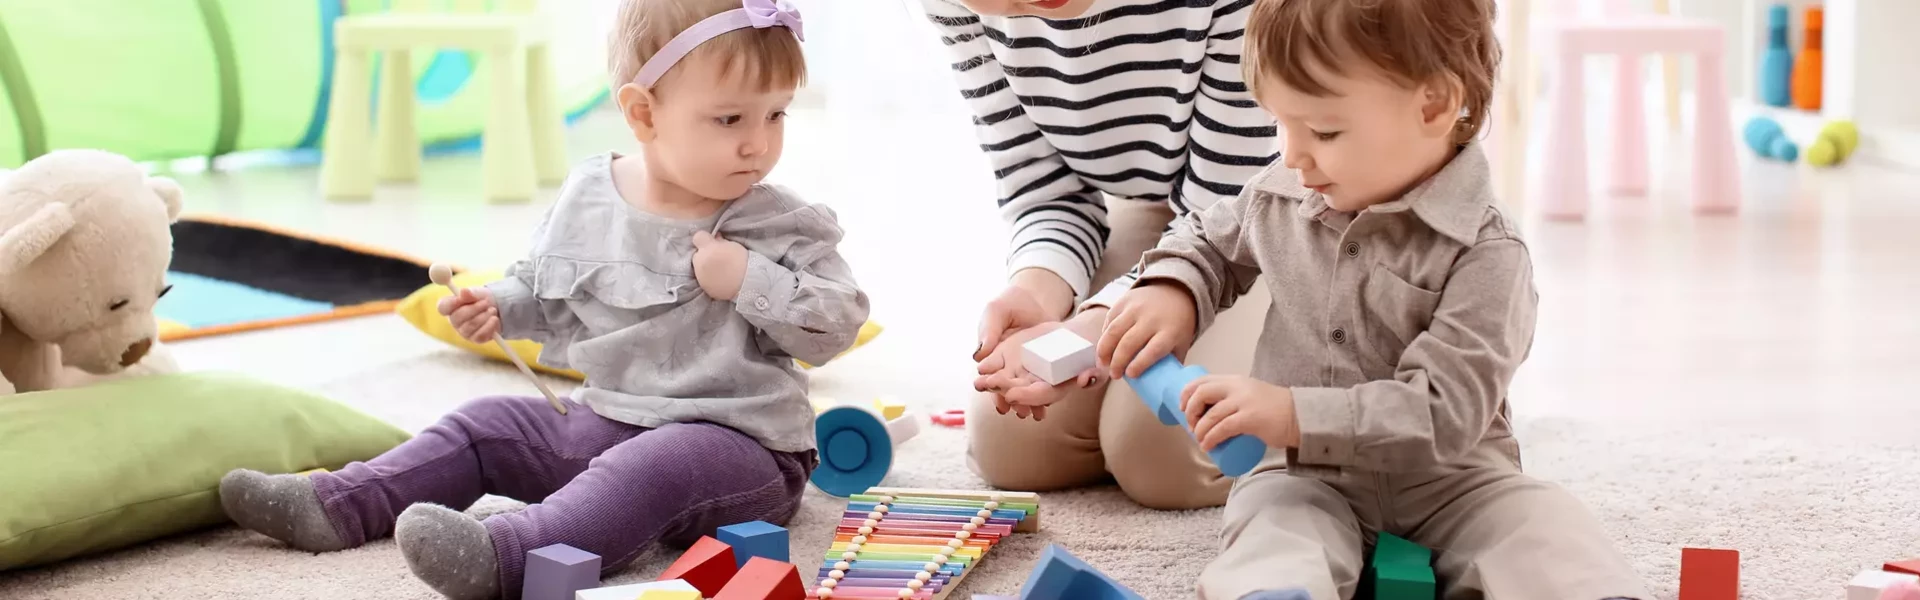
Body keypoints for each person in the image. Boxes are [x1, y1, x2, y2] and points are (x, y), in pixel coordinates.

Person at [215, 1, 869, 597]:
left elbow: (835, 326)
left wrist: (750, 278)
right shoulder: (590, 196)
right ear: (643, 113)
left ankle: (513, 552)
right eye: (730, 118)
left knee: (658, 463)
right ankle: (338, 504)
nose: (759, 142)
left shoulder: (777, 222)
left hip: (739, 448)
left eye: (775, 113)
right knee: (485, 422)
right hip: (605, 419)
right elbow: (541, 287)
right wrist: (499, 305)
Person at [1084, 0, 1651, 597]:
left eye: (1324, 131)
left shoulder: (1490, 251)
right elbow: (1205, 238)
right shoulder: (1280, 194)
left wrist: (1291, 412)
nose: (1292, 154)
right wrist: (1173, 286)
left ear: (1432, 105)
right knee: (1272, 533)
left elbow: (1443, 412)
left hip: (1454, 480)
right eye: (1280, 122)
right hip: (1304, 475)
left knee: (1542, 528)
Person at [919, 0, 1282, 509]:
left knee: (1167, 458)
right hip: (1157, 206)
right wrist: (1037, 289)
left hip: (1267, 213)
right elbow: (1046, 191)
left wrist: (1095, 324)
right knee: (1012, 444)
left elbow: (1227, 214)